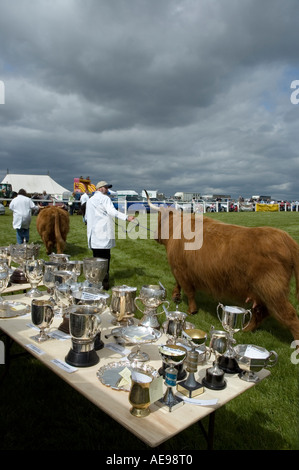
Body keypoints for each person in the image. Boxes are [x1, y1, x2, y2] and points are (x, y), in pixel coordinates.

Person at [85, 180, 135, 290]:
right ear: (99, 189)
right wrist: (127, 218)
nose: (107, 190)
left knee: (96, 258)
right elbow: (113, 211)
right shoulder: (105, 199)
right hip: (103, 234)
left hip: (93, 234)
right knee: (105, 259)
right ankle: (105, 282)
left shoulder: (90, 200)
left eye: (107, 188)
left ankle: (95, 282)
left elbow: (86, 217)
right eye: (105, 188)